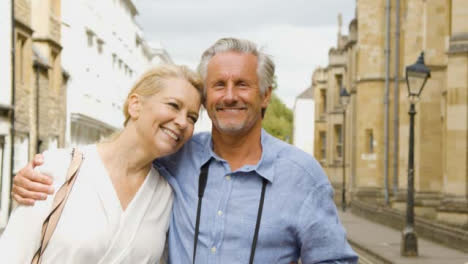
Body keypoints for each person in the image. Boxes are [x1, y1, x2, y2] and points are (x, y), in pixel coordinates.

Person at [12, 38, 358, 263]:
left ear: (265, 95)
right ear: (208, 98)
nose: (230, 95)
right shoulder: (175, 157)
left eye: (243, 84)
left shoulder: (301, 175)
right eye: (218, 85)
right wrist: (33, 177)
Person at [1, 64, 203, 263]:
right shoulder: (59, 167)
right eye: (173, 105)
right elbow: (12, 254)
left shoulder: (165, 196)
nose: (183, 122)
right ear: (135, 105)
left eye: (192, 118)